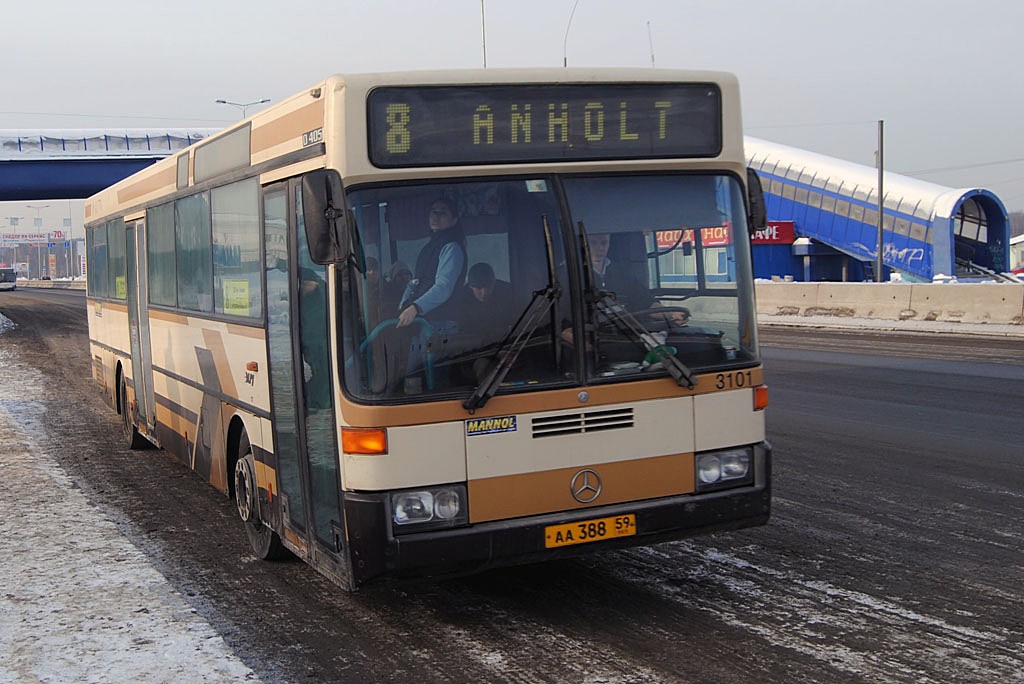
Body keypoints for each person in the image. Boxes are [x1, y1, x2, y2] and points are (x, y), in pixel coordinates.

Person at [563, 232, 688, 343]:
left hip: (627, 338)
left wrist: (671, 314)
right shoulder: (572, 275)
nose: (599, 248)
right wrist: (584, 346)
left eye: (603, 243)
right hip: (592, 340)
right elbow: (564, 324)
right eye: (594, 243)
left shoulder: (622, 273)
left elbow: (646, 302)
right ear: (583, 245)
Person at [396, 198, 466, 328]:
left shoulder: (452, 248)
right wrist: (403, 305)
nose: (436, 216)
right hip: (422, 322)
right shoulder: (427, 248)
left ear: (454, 220)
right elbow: (414, 282)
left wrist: (415, 308)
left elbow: (444, 287)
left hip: (442, 325)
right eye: (434, 212)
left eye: (443, 213)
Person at [460, 262, 515, 338]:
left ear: (494, 283)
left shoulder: (509, 292)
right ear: (470, 286)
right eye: (479, 288)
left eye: (488, 287)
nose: (484, 293)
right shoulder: (460, 301)